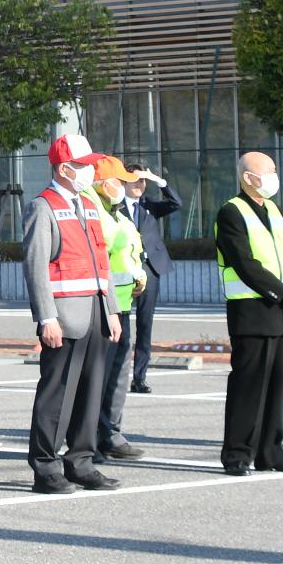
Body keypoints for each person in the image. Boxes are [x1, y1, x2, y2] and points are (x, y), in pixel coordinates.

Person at [23, 133, 123, 495]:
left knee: (90, 391)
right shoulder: (43, 206)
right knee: (57, 394)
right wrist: (46, 317)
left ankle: (80, 461)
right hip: (64, 316)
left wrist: (111, 309)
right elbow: (35, 267)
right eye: (84, 166)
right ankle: (46, 467)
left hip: (94, 311)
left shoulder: (89, 204)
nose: (91, 171)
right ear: (64, 168)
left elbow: (102, 261)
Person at [216, 151, 283, 475]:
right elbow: (243, 262)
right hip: (252, 311)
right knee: (248, 385)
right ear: (248, 177)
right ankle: (238, 453)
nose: (273, 176)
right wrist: (280, 290)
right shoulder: (232, 212)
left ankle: (271, 452)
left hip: (282, 312)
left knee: (277, 385)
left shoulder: (275, 210)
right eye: (267, 171)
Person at [89, 156, 147, 464]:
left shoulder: (116, 211)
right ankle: (93, 437)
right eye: (118, 181)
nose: (123, 186)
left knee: (119, 373)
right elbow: (103, 251)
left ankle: (111, 432)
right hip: (102, 305)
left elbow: (129, 251)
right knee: (100, 374)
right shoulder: (94, 210)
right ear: (101, 183)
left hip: (123, 304)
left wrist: (139, 274)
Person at [123, 167, 181, 394]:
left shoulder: (149, 206)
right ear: (125, 182)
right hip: (125, 270)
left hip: (150, 269)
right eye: (135, 180)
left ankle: (139, 378)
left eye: (143, 181)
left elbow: (176, 203)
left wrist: (160, 181)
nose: (140, 185)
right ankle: (117, 374)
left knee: (145, 326)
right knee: (123, 326)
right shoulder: (115, 208)